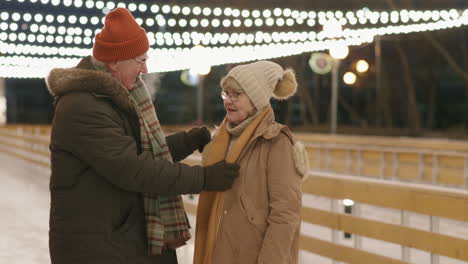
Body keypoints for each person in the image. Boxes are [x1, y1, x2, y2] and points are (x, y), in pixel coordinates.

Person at [46, 7, 239, 264]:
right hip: (98, 246)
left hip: (118, 235)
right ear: (114, 61)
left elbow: (138, 151)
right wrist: (204, 178)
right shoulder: (83, 106)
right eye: (139, 60)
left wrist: (188, 141)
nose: (145, 69)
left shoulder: (112, 97)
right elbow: (134, 168)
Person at [193, 61, 309, 264]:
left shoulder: (277, 142)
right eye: (226, 94)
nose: (228, 100)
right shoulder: (222, 139)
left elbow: (285, 214)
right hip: (221, 252)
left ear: (256, 99)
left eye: (236, 94)